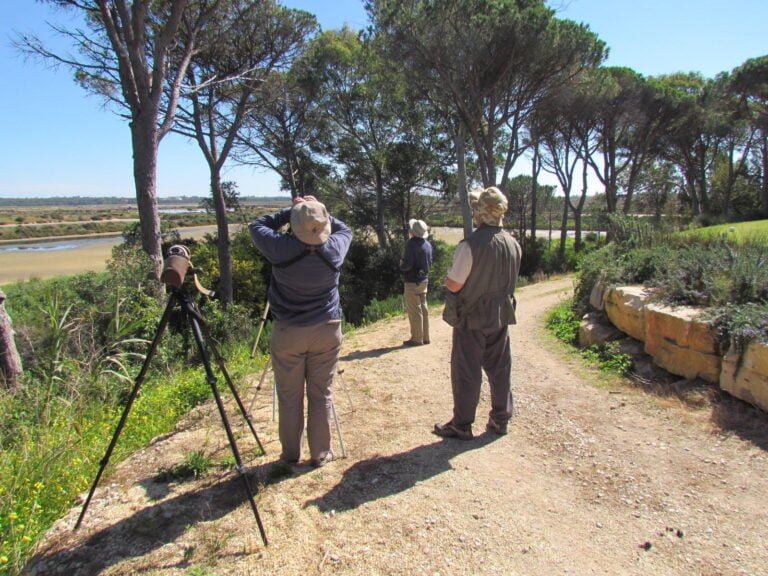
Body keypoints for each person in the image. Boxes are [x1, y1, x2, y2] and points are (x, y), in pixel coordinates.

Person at [249, 195, 352, 466]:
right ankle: (320, 454)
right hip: (327, 329)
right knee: (321, 394)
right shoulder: (335, 248)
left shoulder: (279, 248)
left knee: (289, 397)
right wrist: (318, 208)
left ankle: (290, 455)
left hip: (289, 332)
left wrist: (293, 211)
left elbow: (257, 225)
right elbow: (345, 229)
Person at [434, 186, 522, 440]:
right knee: (500, 367)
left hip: (471, 316)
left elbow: (454, 284)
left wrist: (447, 278)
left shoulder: (471, 244)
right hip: (501, 314)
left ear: (481, 213)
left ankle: (461, 425)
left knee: (466, 371)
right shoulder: (513, 243)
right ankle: (500, 419)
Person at [400, 219, 433, 346]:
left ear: (412, 232)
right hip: (424, 280)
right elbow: (430, 262)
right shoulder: (427, 244)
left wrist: (401, 265)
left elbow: (407, 265)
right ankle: (425, 337)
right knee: (424, 308)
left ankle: (416, 338)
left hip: (412, 281)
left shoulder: (411, 244)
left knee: (414, 310)